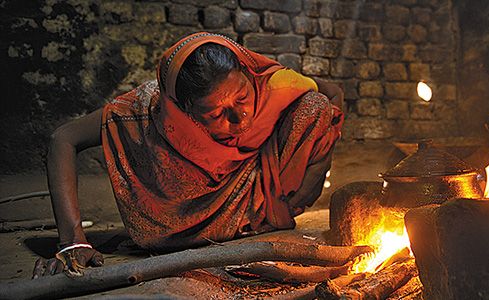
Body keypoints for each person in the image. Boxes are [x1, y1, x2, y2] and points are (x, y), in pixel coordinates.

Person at [32, 32, 344, 278]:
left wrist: (320, 163)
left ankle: (270, 216)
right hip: (175, 228)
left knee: (315, 107)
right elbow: (64, 138)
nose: (240, 118)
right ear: (186, 111)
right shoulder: (146, 114)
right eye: (215, 113)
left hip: (257, 200)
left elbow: (332, 95)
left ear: (248, 73)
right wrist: (72, 239)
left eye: (243, 97)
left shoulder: (273, 85)